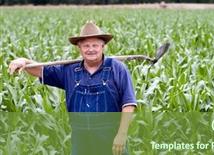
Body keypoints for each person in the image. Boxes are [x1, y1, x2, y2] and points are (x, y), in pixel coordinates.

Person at [8, 21, 137, 155]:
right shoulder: (70, 70)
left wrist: (121, 135)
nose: (90, 49)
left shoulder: (117, 69)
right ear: (79, 48)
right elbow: (41, 70)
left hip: (111, 139)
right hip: (81, 141)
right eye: (86, 45)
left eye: (95, 45)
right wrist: (24, 62)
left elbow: (128, 103)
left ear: (103, 46)